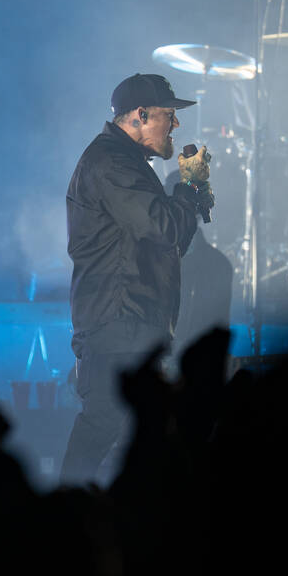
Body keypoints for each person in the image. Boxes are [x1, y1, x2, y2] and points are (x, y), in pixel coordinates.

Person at [60, 72, 214, 483]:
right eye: (169, 115)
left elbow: (166, 242)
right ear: (140, 116)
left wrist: (188, 195)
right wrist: (187, 187)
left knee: (127, 433)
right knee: (104, 427)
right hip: (118, 321)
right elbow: (165, 229)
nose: (176, 126)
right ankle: (63, 522)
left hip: (130, 320)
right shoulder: (111, 164)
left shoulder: (124, 162)